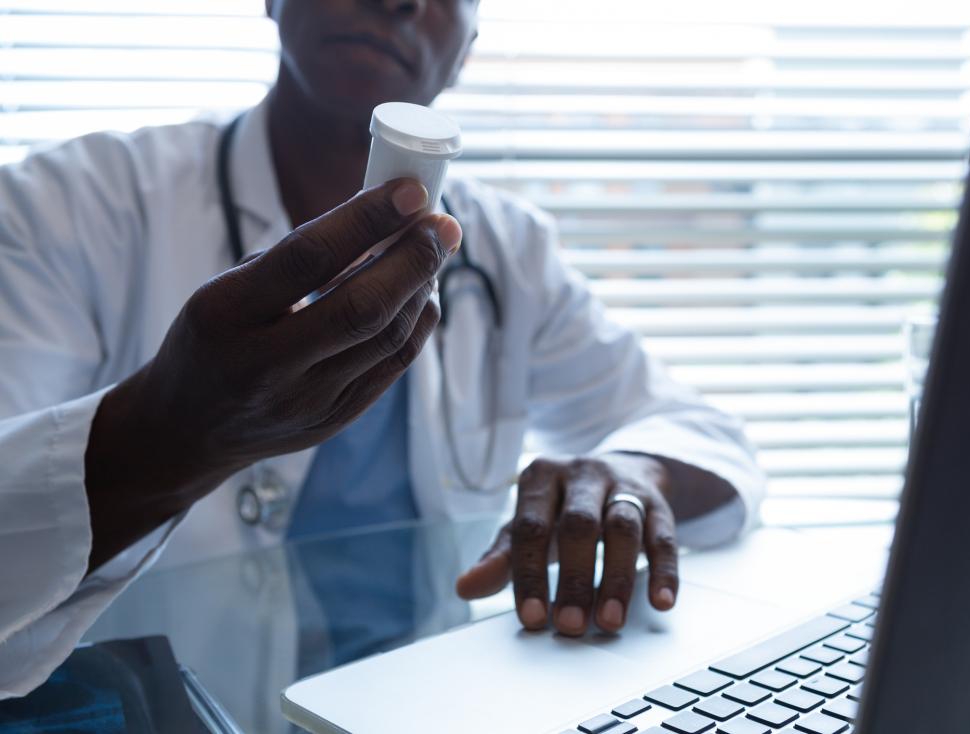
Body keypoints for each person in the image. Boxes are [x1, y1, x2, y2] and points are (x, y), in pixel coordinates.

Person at [0, 0, 764, 698]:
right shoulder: (69, 205)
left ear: (467, 49)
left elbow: (701, 432)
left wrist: (633, 472)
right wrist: (178, 432)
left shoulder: (508, 249)